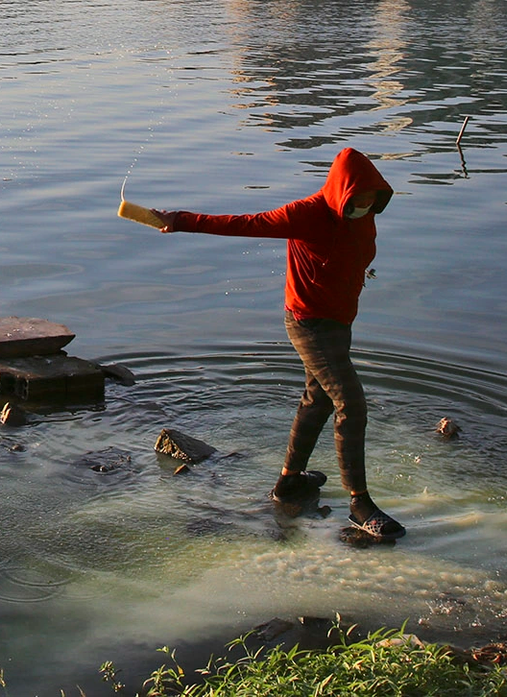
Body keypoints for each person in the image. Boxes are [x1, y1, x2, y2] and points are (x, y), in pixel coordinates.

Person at [119, 147, 405, 540]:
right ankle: (359, 504)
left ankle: (289, 482)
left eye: (371, 200)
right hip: (308, 324)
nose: (363, 207)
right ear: (341, 192)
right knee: (350, 403)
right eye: (357, 200)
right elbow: (244, 223)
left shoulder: (364, 216)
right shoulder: (308, 213)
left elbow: (351, 254)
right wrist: (180, 220)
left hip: (339, 325)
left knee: (318, 398)